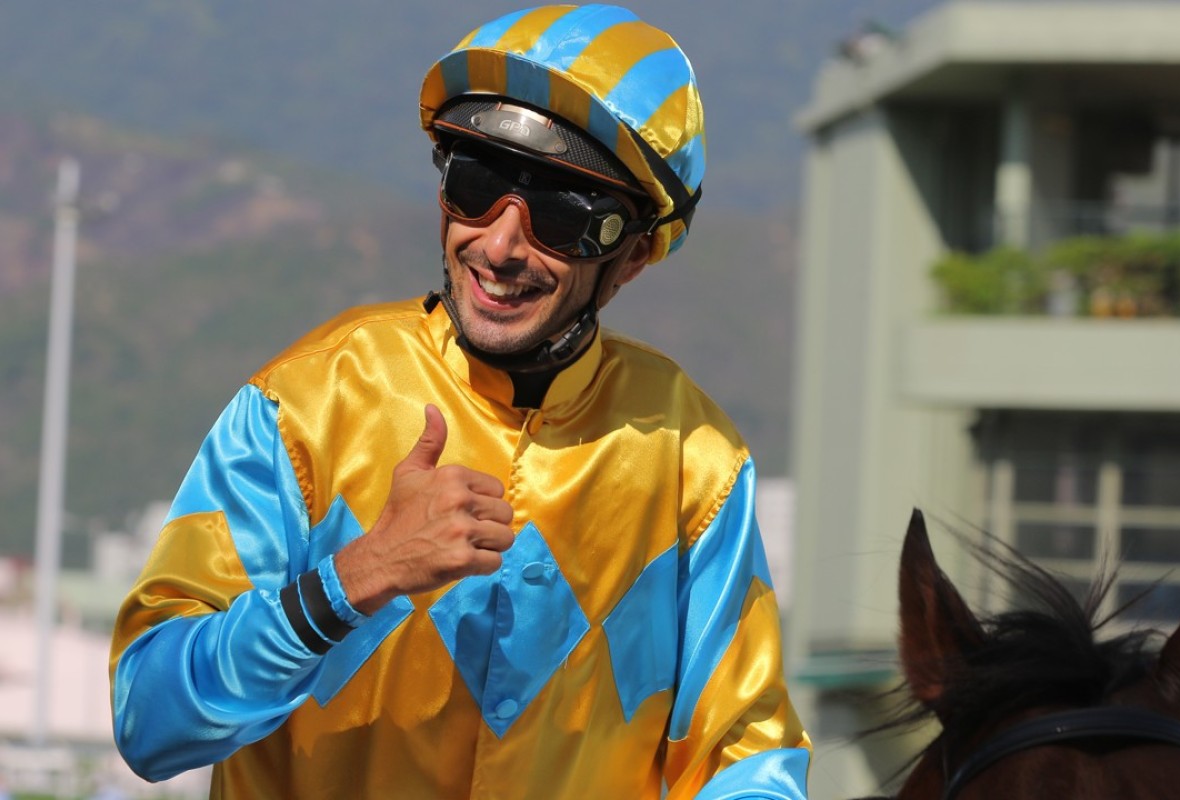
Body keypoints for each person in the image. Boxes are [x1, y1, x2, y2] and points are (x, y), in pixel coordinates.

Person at [109, 5, 811, 798]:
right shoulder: (302, 404)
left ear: (635, 254)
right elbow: (149, 719)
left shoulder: (695, 462)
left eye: (560, 214)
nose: (500, 245)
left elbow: (747, 761)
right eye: (476, 184)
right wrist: (356, 578)